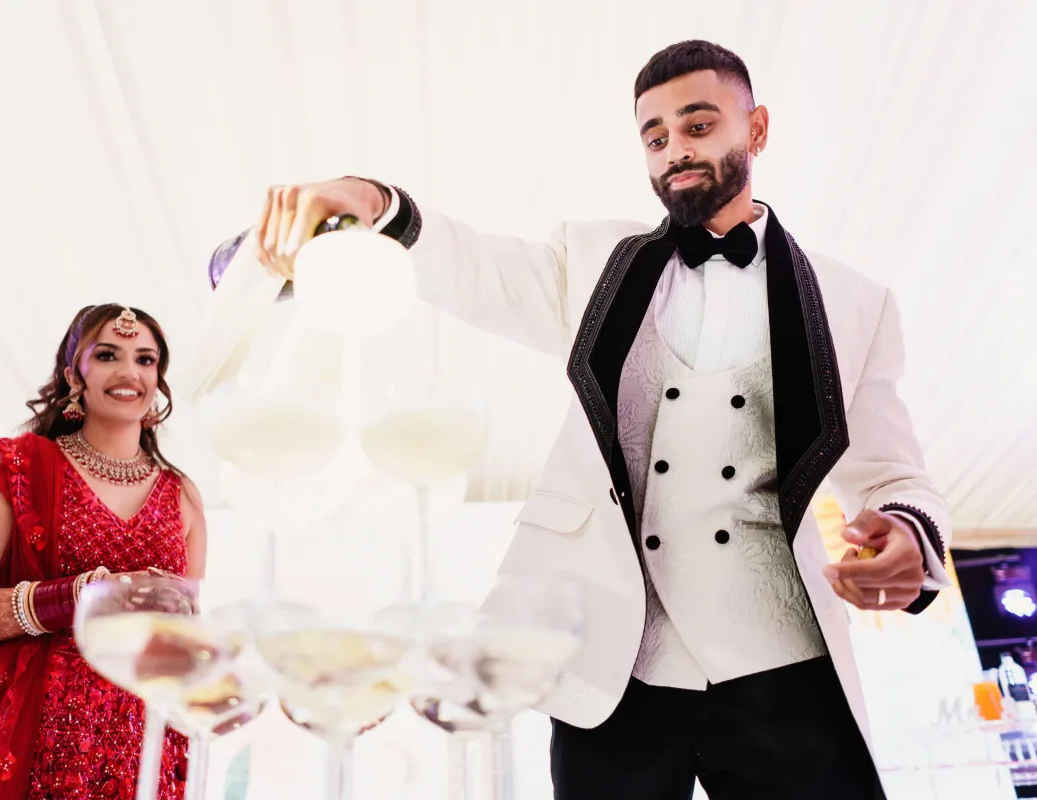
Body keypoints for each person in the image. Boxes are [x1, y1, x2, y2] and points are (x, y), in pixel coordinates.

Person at [201, 40, 952, 799]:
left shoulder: (856, 302)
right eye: (654, 138)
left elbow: (893, 473)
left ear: (756, 129)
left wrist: (907, 533)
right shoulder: (594, 261)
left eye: (697, 126)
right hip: (614, 661)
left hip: (784, 667)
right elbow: (471, 266)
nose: (674, 151)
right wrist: (375, 201)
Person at [0, 304, 207, 800]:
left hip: (135, 748)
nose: (128, 372)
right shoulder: (20, 469)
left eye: (145, 359)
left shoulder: (182, 494)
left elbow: (186, 632)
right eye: (107, 355)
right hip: (13, 736)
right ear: (73, 372)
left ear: (159, 378)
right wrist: (82, 596)